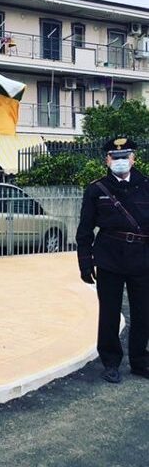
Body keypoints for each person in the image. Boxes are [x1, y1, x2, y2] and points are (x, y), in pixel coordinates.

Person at [76, 137, 149, 384]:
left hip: (142, 259)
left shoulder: (146, 186)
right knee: (109, 313)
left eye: (124, 157)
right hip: (109, 259)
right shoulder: (97, 189)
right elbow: (85, 229)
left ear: (133, 158)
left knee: (143, 312)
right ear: (107, 160)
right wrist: (85, 263)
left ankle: (140, 360)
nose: (120, 162)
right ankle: (110, 362)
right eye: (114, 157)